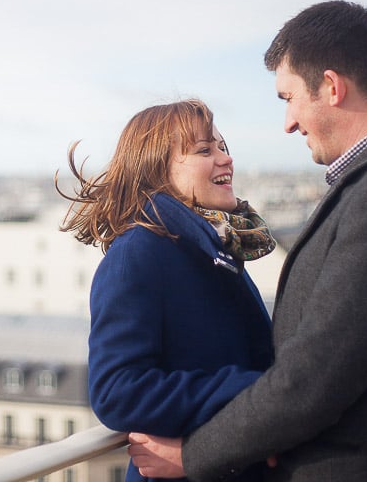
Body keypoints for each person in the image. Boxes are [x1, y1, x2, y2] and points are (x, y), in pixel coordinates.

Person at [127, 0, 367, 481]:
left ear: (331, 88)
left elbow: (315, 380)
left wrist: (193, 455)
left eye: (289, 97)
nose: (288, 122)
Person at [58, 99, 278, 482]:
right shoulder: (140, 252)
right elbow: (117, 392)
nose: (226, 160)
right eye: (205, 149)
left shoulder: (211, 248)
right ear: (157, 170)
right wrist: (257, 391)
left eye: (224, 148)